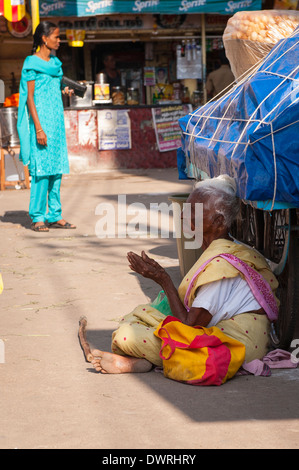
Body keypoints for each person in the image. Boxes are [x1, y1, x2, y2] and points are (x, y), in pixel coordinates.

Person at [90, 175, 279, 375]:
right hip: (233, 334)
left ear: (218, 221)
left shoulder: (221, 263)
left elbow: (189, 326)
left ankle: (141, 361)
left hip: (238, 343)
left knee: (127, 335)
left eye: (193, 211)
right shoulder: (227, 249)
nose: (183, 216)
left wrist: (163, 279)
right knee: (141, 317)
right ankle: (143, 361)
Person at [17, 21, 76, 232]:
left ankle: (55, 214)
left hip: (57, 123)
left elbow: (52, 88)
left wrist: (65, 91)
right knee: (41, 171)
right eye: (56, 37)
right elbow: (30, 99)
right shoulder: (31, 63)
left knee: (56, 170)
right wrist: (39, 129)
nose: (59, 40)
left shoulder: (55, 63)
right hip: (41, 124)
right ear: (44, 38)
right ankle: (38, 216)